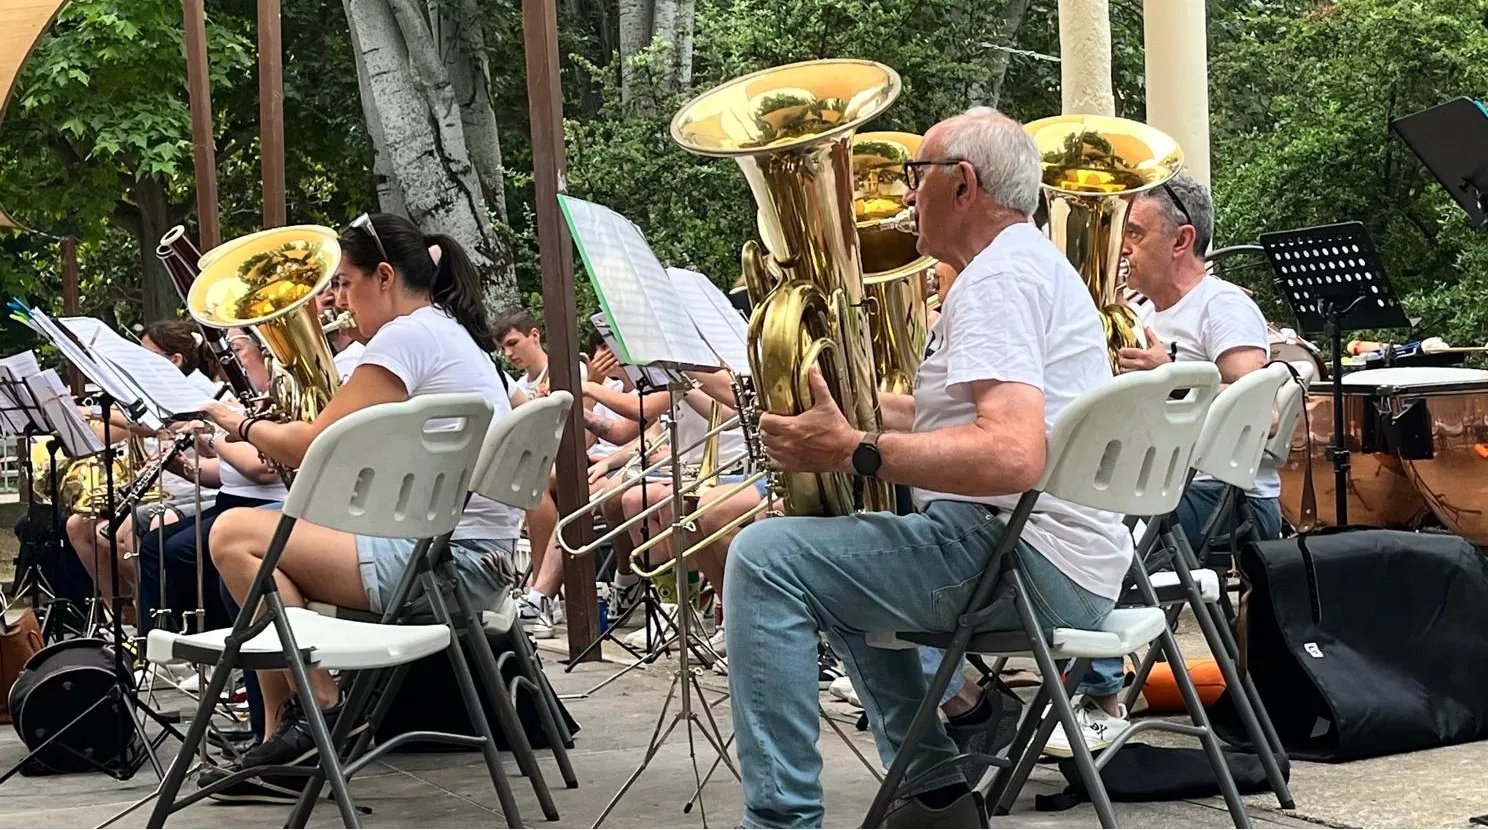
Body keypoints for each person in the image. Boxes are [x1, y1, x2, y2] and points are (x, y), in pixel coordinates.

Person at [722, 107, 1133, 828]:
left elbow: (1010, 453)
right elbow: (973, 420)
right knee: (838, 548)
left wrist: (850, 450)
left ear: (963, 184)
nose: (908, 197)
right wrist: (847, 408)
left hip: (1021, 565)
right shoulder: (1025, 266)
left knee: (764, 559)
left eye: (917, 179)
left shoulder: (995, 282)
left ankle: (782, 822)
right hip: (1063, 562)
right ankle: (936, 793)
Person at [196, 213, 522, 799]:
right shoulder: (446, 331)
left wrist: (239, 421)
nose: (339, 299)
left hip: (445, 569)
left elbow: (312, 441)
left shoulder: (407, 336)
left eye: (344, 282)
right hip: (474, 562)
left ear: (385, 277)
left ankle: (316, 701)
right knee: (270, 553)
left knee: (233, 536)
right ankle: (281, 741)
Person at [1048, 172, 1277, 756]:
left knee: (1095, 547)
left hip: (1222, 494)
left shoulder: (1222, 304)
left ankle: (1100, 699)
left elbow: (1259, 411)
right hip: (1150, 489)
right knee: (1058, 528)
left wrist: (1166, 370)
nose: (1121, 246)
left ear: (1181, 240)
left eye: (1134, 232)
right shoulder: (1135, 308)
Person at [64, 319, 221, 615]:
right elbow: (109, 436)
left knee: (117, 535)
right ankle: (123, 615)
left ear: (175, 360)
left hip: (190, 491)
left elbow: (153, 426)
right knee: (77, 525)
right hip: (158, 488)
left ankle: (157, 613)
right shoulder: (152, 394)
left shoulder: (199, 392)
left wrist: (96, 411)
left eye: (146, 355)